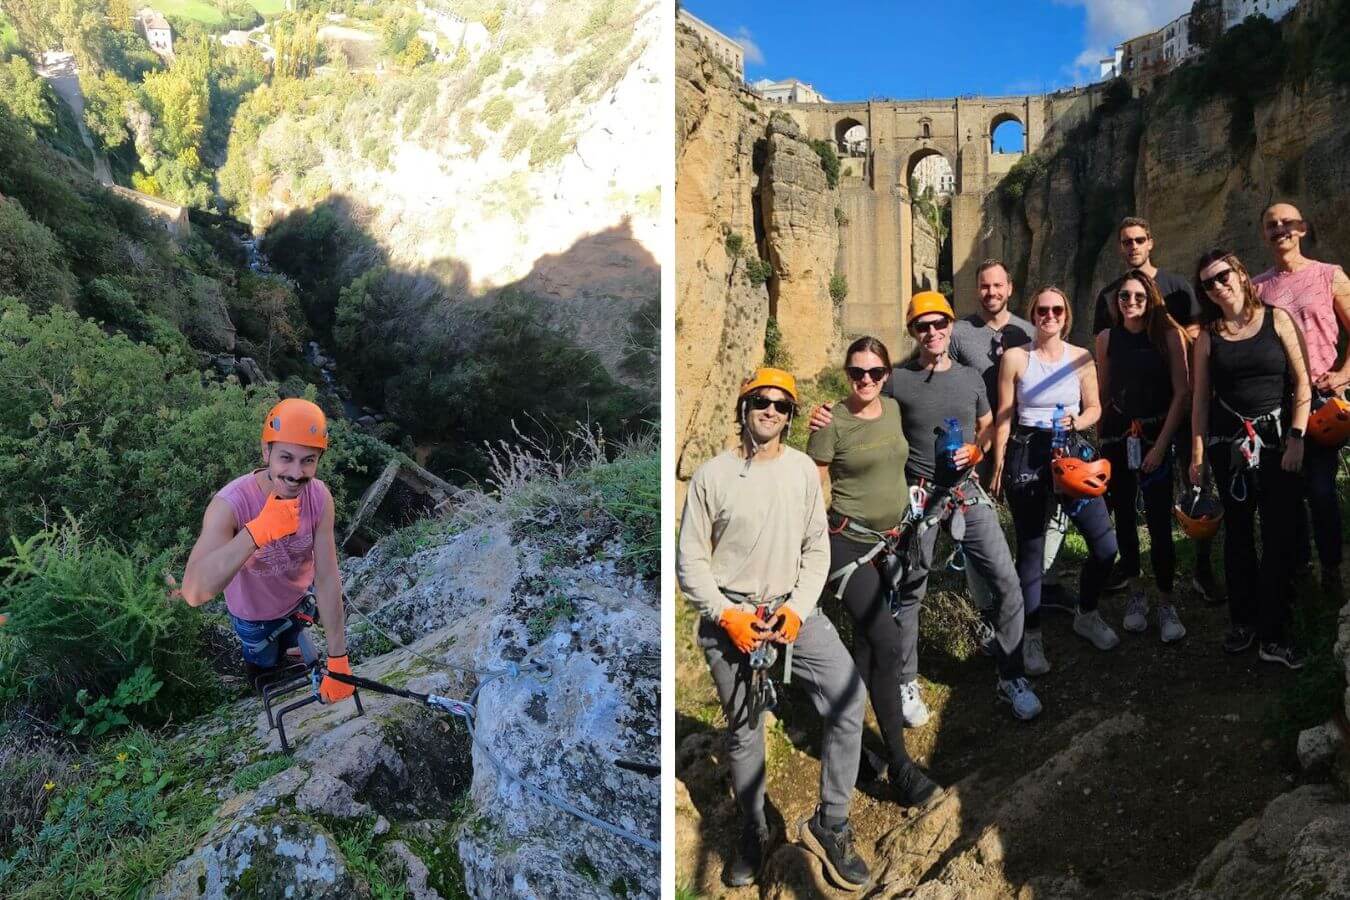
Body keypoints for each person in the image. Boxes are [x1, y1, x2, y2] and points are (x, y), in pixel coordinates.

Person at [676, 368, 873, 891]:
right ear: (743, 408)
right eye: (761, 401)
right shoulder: (711, 477)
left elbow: (816, 547)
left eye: (782, 406)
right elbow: (691, 561)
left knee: (848, 697)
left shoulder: (804, 471)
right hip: (733, 616)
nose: (771, 411)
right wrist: (727, 617)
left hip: (793, 609)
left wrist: (798, 608)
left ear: (790, 417)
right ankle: (754, 828)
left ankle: (831, 823)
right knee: (744, 732)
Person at [809, 297, 1042, 722]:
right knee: (911, 592)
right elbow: (863, 399)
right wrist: (826, 413)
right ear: (913, 332)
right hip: (917, 499)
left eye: (938, 324)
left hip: (966, 492)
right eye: (922, 326)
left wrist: (978, 448)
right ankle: (906, 680)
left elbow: (988, 425)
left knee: (1007, 581)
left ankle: (1011, 676)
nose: (932, 332)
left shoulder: (972, 378)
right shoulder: (898, 380)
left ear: (950, 326)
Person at [179, 398, 355, 705]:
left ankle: (289, 658)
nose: (296, 473)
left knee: (295, 648)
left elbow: (327, 577)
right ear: (266, 452)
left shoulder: (319, 498)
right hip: (254, 618)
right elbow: (194, 591)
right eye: (286, 457)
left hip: (299, 601)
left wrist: (338, 659)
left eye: (308, 460)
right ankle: (263, 676)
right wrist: (257, 531)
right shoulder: (231, 505)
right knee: (264, 668)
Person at [992, 286, 1121, 673]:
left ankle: (1087, 611)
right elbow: (1004, 414)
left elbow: (1095, 406)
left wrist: (1078, 421)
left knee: (1104, 544)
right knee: (1030, 551)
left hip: (1071, 450)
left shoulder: (1080, 357)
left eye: (1057, 310)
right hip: (1029, 450)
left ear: (1066, 316)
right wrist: (998, 464)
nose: (1050, 316)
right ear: (1032, 315)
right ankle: (1031, 636)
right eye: (1042, 310)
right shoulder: (1016, 358)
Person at [1191, 250, 1310, 668]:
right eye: (1207, 282)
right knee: (1239, 535)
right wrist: (1198, 454)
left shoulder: (1277, 319)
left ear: (1241, 273)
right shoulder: (1209, 334)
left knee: (1279, 536)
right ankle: (1243, 621)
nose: (1218, 285)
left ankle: (1273, 633)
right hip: (1229, 449)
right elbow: (1200, 401)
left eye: (1223, 275)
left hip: (1279, 443)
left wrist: (1297, 437)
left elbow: (1302, 383)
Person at [1091, 217, 1217, 602]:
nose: (1133, 246)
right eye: (1126, 241)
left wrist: (1168, 335)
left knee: (1195, 483)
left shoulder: (1178, 286)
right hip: (1130, 419)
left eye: (1139, 239)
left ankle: (1203, 567)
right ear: (1120, 247)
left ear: (1151, 242)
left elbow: (1199, 336)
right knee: (1129, 500)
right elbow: (1105, 359)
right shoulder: (1110, 294)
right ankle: (1133, 571)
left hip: (1177, 404)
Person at [948, 260, 1075, 616]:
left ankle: (1034, 585)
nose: (992, 292)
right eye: (985, 286)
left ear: (1010, 289)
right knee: (976, 523)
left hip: (1026, 443)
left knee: (1045, 518)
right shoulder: (958, 333)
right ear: (977, 290)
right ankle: (988, 607)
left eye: (998, 286)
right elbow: (948, 383)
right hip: (977, 443)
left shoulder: (1026, 330)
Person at [1252, 202, 1350, 592]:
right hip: (1276, 400)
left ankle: (1330, 567)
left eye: (1287, 223)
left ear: (1303, 229)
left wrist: (1344, 373)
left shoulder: (1330, 276)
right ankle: (1300, 568)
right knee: (1286, 493)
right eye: (1271, 224)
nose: (1280, 229)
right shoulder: (1258, 288)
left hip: (1322, 399)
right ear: (1264, 234)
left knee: (1322, 490)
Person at [1095, 270, 1190, 642]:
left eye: (1137, 296)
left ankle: (1166, 599)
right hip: (1119, 437)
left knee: (1159, 520)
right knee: (1123, 520)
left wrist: (1162, 445)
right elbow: (1103, 391)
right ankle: (1136, 592)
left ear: (1150, 298)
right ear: (1115, 303)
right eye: (1123, 297)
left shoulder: (1168, 336)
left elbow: (1182, 394)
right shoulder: (1106, 339)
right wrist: (1101, 440)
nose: (1130, 302)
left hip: (1157, 433)